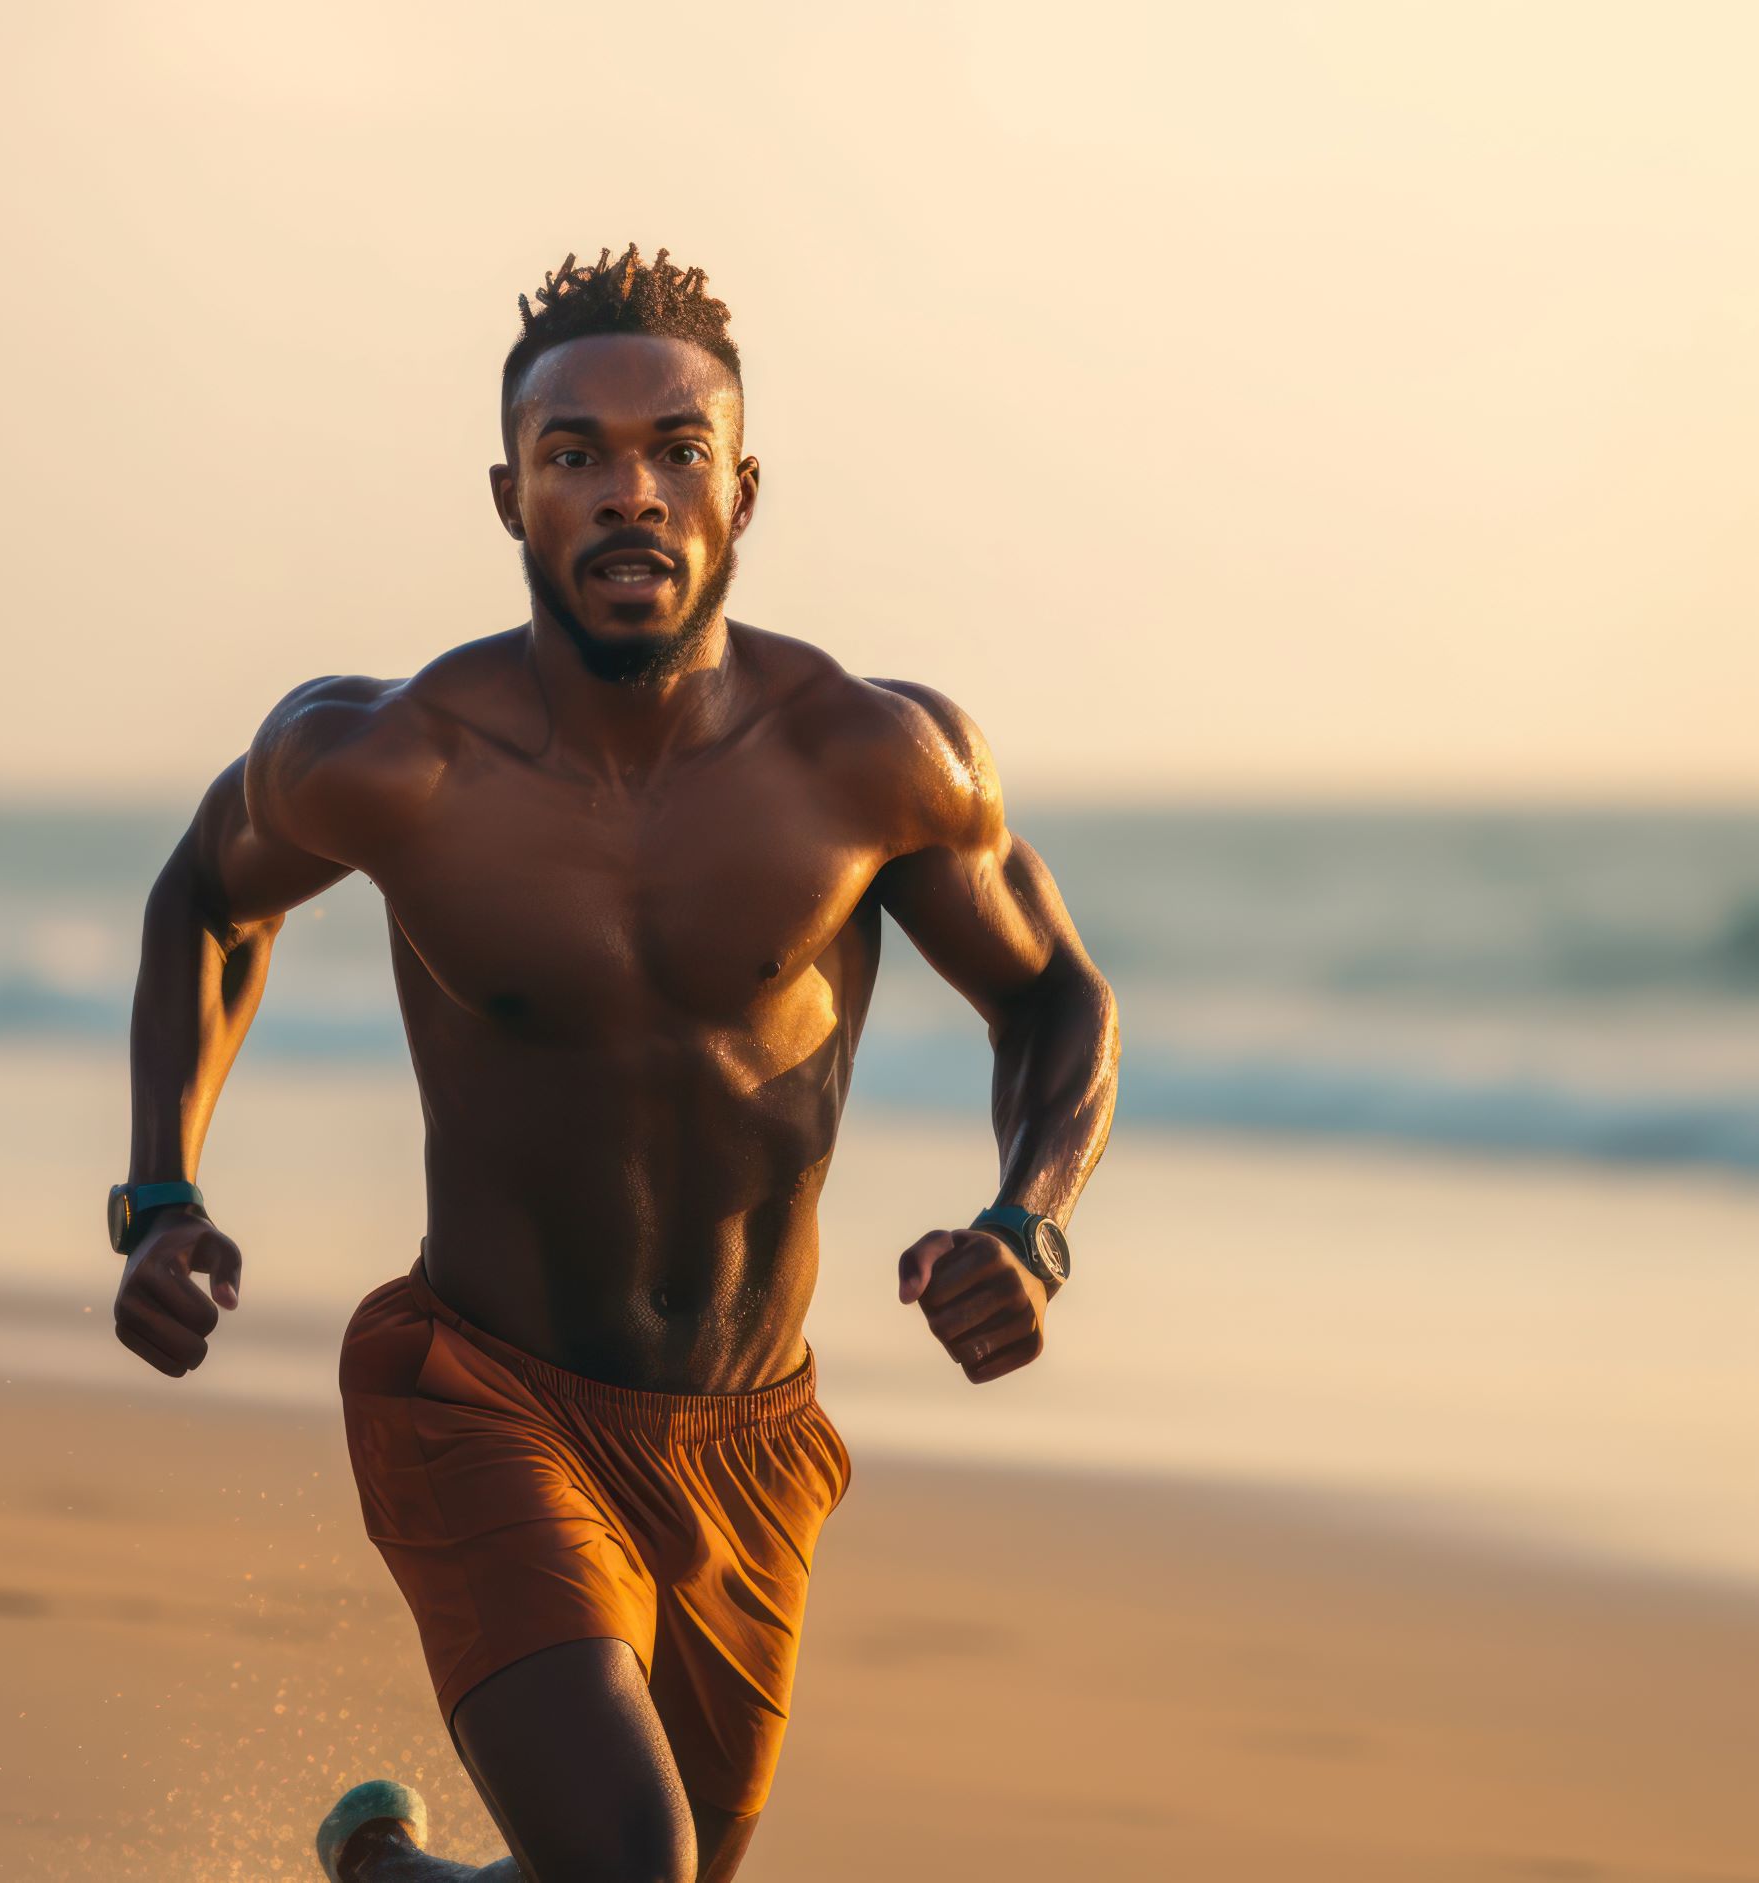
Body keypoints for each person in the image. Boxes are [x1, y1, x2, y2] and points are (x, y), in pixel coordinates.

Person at [109, 245, 1120, 1883]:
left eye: (675, 451)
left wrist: (1030, 1222)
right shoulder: (391, 760)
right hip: (480, 1388)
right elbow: (207, 902)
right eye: (575, 455)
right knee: (633, 1868)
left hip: (745, 1435)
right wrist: (158, 1195)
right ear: (510, 496)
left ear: (743, 490)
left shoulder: (870, 760)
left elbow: (1058, 999)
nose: (628, 491)